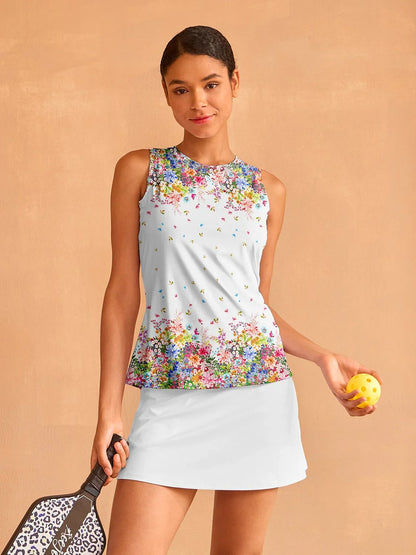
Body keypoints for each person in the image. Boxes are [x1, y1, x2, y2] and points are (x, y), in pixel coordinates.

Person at [90, 25, 383, 555]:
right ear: (166, 94)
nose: (198, 102)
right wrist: (109, 411)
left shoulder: (267, 190)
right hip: (171, 395)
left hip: (257, 398)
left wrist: (323, 357)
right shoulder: (140, 171)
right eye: (180, 89)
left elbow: (256, 306)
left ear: (235, 83)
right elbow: (122, 295)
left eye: (211, 85)